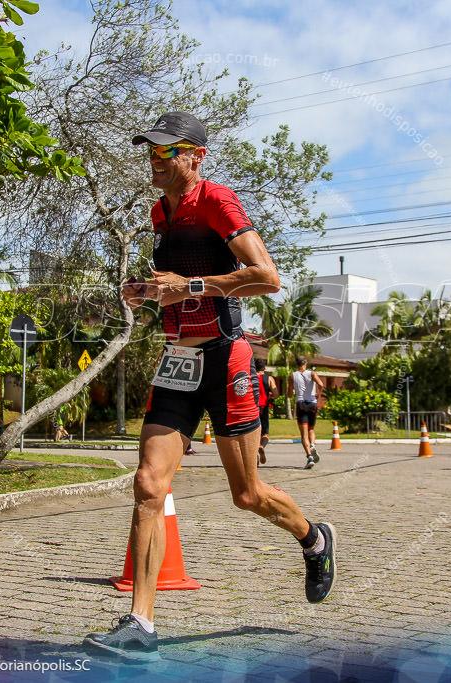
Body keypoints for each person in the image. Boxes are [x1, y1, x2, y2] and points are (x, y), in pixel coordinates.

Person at [83, 112, 336, 662]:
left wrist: (191, 285)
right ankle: (139, 624)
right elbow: (173, 289)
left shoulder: (217, 202)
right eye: (148, 152)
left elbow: (267, 277)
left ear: (195, 155)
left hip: (226, 358)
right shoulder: (159, 212)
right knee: (149, 483)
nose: (153, 160)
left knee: (247, 495)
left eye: (163, 151)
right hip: (177, 362)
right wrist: (146, 292)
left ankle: (313, 539)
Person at [292, 357, 323, 468]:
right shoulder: (312, 373)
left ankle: (309, 457)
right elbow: (321, 384)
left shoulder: (293, 375)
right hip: (312, 404)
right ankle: (312, 445)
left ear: (296, 364)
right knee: (311, 429)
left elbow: (289, 393)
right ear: (306, 363)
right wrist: (318, 394)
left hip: (300, 404)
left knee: (303, 434)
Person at [255, 357, 277, 465]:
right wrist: (270, 396)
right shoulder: (269, 379)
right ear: (264, 367)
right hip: (264, 407)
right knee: (265, 434)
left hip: (252, 409)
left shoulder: (251, 377)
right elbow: (276, 393)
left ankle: (256, 458)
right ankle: (261, 446)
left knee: (253, 434)